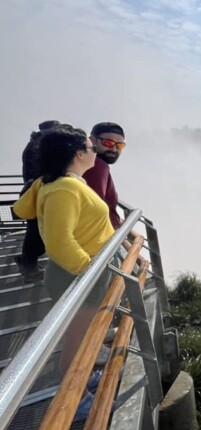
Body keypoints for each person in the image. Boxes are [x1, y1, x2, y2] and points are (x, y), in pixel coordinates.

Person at [13, 125, 115, 421]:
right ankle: (76, 397)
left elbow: (27, 210)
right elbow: (59, 242)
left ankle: (84, 378)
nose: (95, 152)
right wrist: (89, 270)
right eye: (91, 148)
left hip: (77, 273)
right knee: (78, 340)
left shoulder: (61, 182)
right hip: (77, 275)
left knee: (83, 335)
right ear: (77, 154)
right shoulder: (65, 188)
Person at [14, 120, 61, 282]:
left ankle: (26, 260)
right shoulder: (39, 146)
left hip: (36, 190)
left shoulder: (34, 144)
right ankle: (29, 268)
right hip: (38, 191)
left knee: (37, 230)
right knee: (36, 231)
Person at [84, 122, 126, 229]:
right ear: (92, 140)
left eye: (120, 145)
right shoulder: (97, 166)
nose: (114, 149)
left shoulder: (82, 161)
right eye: (108, 143)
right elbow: (94, 208)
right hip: (100, 240)